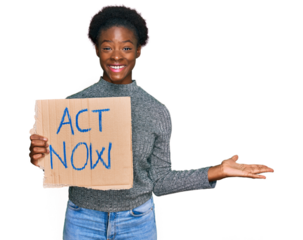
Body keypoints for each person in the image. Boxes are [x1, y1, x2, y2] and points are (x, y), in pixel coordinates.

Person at [27, 2, 276, 240]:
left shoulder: (157, 110)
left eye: (125, 47)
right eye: (107, 47)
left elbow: (160, 182)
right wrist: (37, 157)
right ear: (96, 49)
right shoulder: (68, 110)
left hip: (136, 222)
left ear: (138, 51)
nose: (116, 56)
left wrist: (217, 172)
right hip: (82, 220)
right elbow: (52, 165)